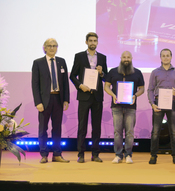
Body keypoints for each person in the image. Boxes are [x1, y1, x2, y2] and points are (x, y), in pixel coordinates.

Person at [70, 32, 108, 163]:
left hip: (97, 97)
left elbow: (107, 77)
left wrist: (101, 72)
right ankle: (81, 154)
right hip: (84, 96)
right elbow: (72, 76)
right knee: (82, 127)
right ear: (86, 42)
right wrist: (80, 85)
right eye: (90, 40)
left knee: (96, 127)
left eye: (95, 41)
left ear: (97, 42)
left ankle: (95, 154)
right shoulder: (79, 56)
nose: (93, 43)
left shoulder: (102, 57)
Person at [31, 38, 70, 163]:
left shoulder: (61, 61)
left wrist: (66, 100)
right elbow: (35, 84)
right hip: (44, 100)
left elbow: (65, 83)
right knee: (43, 129)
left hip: (58, 98)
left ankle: (57, 154)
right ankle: (44, 154)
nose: (52, 48)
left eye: (55, 46)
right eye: (50, 46)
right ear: (45, 48)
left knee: (57, 128)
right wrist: (38, 102)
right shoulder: (38, 63)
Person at [104, 51, 144, 164]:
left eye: (128, 57)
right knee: (117, 132)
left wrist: (135, 95)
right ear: (121, 58)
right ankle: (118, 155)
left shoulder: (137, 72)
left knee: (130, 132)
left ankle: (128, 155)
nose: (126, 59)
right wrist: (112, 95)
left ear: (131, 58)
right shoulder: (113, 71)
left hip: (131, 107)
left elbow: (142, 88)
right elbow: (106, 86)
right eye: (124, 57)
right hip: (116, 106)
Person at [147, 48, 175, 165]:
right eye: (163, 56)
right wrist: (152, 103)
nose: (166, 57)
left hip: (172, 102)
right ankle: (153, 156)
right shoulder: (155, 72)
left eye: (168, 55)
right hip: (158, 102)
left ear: (171, 57)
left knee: (174, 131)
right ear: (160, 58)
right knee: (155, 131)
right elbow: (150, 89)